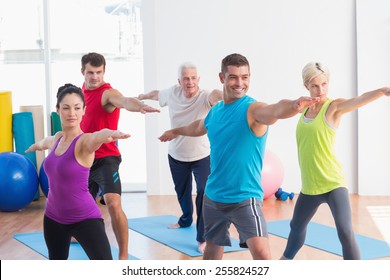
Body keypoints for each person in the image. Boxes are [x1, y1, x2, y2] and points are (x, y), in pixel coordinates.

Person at [158, 53, 320, 260]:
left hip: (244, 197)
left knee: (261, 254)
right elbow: (199, 126)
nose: (240, 83)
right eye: (233, 77)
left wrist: (294, 105)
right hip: (213, 196)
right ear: (222, 77)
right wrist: (176, 131)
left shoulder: (253, 109)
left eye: (245, 77)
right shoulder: (216, 112)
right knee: (212, 251)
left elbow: (275, 109)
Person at [280, 62, 390, 260]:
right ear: (306, 85)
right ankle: (284, 262)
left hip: (333, 183)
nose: (320, 90)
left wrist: (382, 91)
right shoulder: (303, 110)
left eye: (324, 84)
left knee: (345, 231)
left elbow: (359, 100)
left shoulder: (333, 108)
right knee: (295, 226)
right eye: (315, 85)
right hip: (310, 186)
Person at [26, 84, 131, 260]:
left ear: (84, 110)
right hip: (53, 218)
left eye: (77, 108)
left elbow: (97, 136)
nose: (71, 113)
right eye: (66, 108)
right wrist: (35, 146)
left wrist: (110, 133)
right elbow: (46, 142)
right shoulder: (58, 138)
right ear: (58, 110)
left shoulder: (84, 142)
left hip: (85, 219)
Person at [80, 52, 160, 260]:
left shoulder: (107, 94)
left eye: (99, 72)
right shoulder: (79, 94)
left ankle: (123, 256)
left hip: (106, 159)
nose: (95, 77)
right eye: (91, 73)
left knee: (114, 203)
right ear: (83, 72)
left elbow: (124, 101)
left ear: (104, 72)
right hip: (83, 157)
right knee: (79, 207)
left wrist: (139, 106)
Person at [138, 62, 222, 254]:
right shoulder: (173, 93)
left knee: (203, 192)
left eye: (193, 78)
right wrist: (143, 96)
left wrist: (228, 95)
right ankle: (185, 219)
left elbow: (216, 95)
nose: (190, 82)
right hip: (176, 154)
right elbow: (157, 93)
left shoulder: (205, 96)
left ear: (198, 80)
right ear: (179, 81)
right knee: (182, 193)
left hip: (202, 156)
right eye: (186, 78)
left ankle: (202, 238)